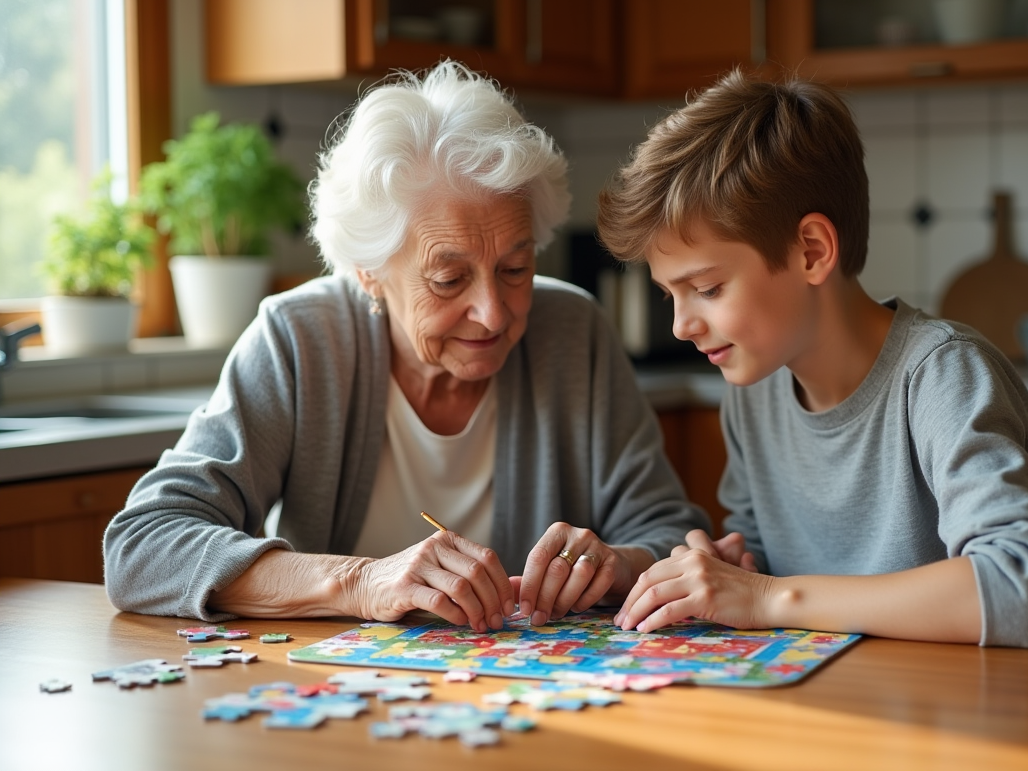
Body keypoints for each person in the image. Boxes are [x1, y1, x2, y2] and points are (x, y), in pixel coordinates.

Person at [104, 61, 707, 631]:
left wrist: (616, 564)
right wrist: (359, 582)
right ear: (368, 272)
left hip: (530, 691)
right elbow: (142, 547)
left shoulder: (574, 331)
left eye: (515, 268)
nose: (493, 312)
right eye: (448, 278)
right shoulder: (300, 340)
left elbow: (672, 534)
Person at [596, 70, 1028, 647]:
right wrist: (733, 568)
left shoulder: (942, 376)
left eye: (708, 288)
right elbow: (764, 566)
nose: (681, 326)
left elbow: (1023, 587)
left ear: (812, 251)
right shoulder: (753, 389)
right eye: (669, 295)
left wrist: (766, 596)